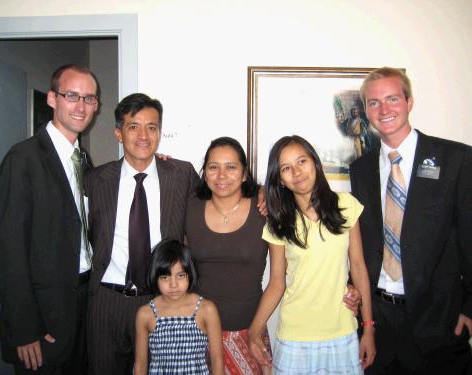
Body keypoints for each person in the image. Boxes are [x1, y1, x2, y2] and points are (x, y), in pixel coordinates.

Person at [349, 67, 472, 374]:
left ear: (409, 102)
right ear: (366, 110)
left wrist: (470, 306)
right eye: (374, 103)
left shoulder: (455, 159)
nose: (384, 109)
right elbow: (365, 240)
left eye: (392, 99)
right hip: (379, 318)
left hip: (439, 318)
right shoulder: (361, 168)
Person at [0, 64, 99, 374]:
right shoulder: (23, 159)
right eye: (72, 95)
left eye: (89, 98)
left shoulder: (83, 160)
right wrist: (24, 328)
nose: (81, 106)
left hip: (80, 304)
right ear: (52, 98)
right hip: (41, 318)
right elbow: (6, 250)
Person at [85, 93, 200, 374]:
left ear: (159, 132)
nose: (144, 135)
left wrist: (256, 192)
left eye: (152, 127)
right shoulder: (95, 180)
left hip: (161, 300)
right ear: (118, 133)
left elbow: (218, 198)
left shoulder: (182, 174)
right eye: (133, 126)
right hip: (106, 302)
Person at [249, 135, 376, 374]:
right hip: (295, 336)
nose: (297, 172)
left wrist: (368, 327)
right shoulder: (278, 221)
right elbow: (277, 283)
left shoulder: (346, 205)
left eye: (302, 162)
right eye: (286, 168)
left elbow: (358, 266)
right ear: (281, 180)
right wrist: (254, 331)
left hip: (342, 332)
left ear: (315, 163)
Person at [185, 136, 272, 374]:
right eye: (213, 167)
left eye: (231, 167)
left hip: (248, 331)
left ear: (245, 173)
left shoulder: (265, 209)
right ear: (205, 173)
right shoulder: (190, 208)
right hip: (198, 331)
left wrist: (255, 331)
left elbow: (278, 281)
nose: (221, 175)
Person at [134, 239, 224, 375]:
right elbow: (140, 364)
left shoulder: (206, 309)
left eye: (180, 275)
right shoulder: (146, 314)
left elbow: (217, 360)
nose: (173, 284)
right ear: (155, 277)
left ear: (190, 274)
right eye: (165, 277)